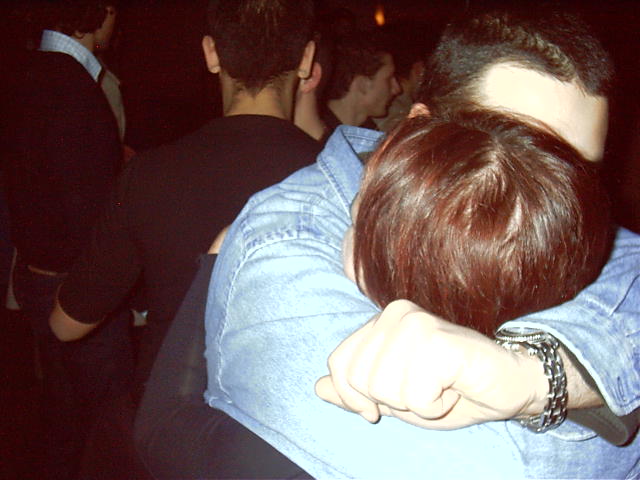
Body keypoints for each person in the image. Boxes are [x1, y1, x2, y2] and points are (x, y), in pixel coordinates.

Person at [204, 9, 640, 478]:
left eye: (580, 174)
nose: (555, 199)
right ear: (418, 129)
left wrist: (537, 375)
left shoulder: (579, 224)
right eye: (519, 150)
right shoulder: (284, 240)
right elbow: (491, 465)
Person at [3, 2, 127, 478]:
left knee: (61, 413)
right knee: (103, 425)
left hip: (35, 273)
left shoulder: (26, 74)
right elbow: (87, 212)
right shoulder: (72, 87)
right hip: (73, 285)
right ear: (97, 11)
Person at [321, 29, 400, 134]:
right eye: (389, 79)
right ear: (363, 84)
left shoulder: (370, 132)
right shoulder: (321, 138)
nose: (397, 89)